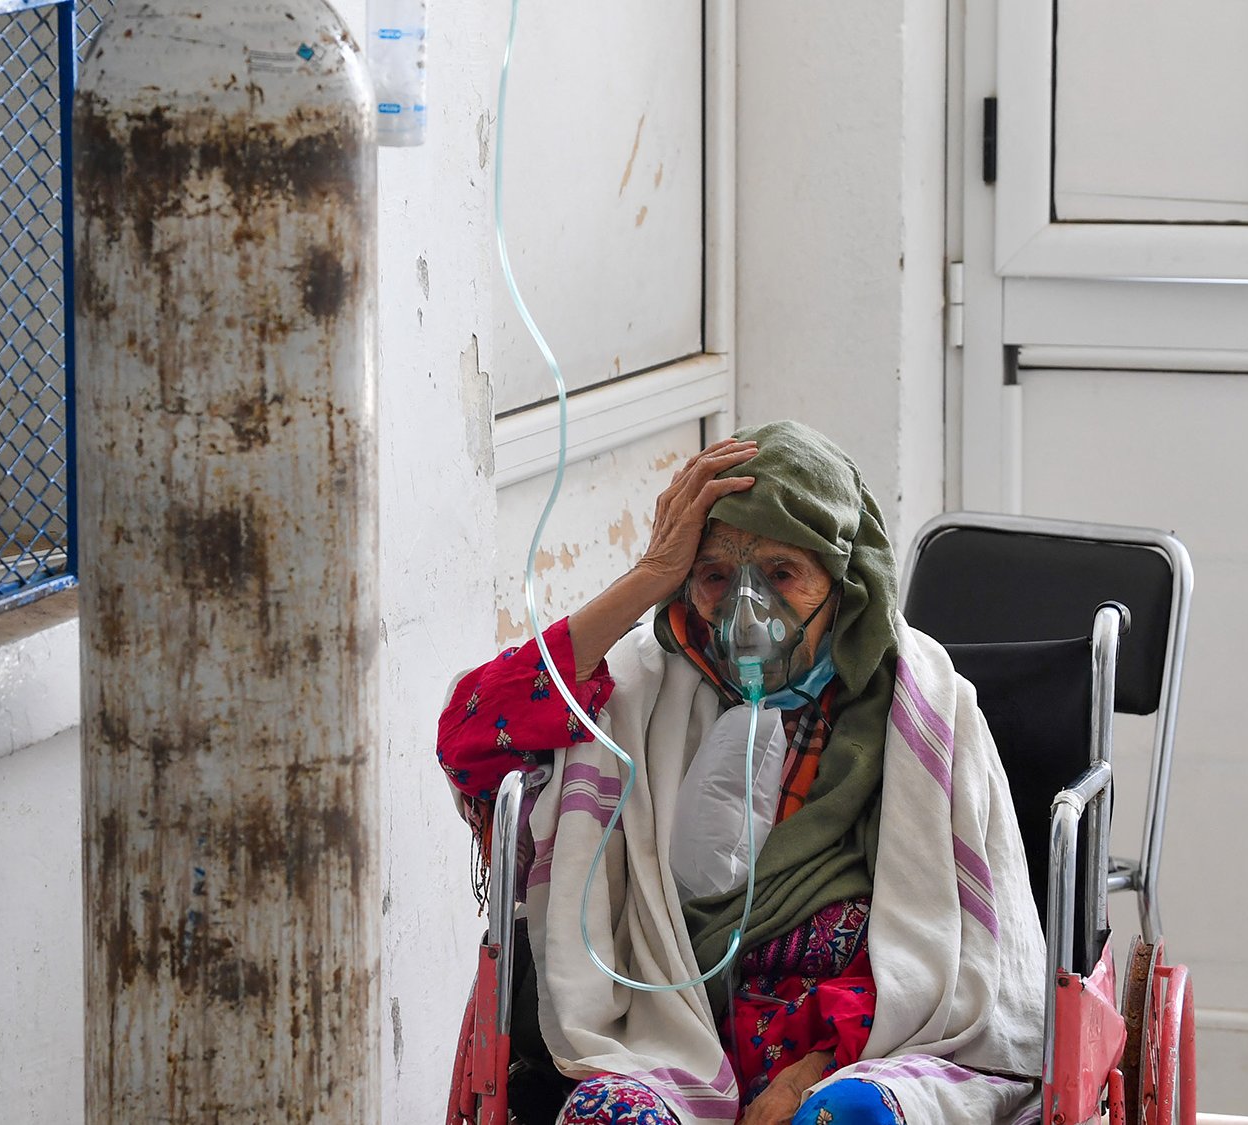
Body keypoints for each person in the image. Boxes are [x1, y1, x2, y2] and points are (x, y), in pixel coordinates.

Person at [437, 421, 1047, 1125]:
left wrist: (810, 1073)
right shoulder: (635, 690)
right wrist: (647, 579)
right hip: (661, 1049)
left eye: (782, 574)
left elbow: (936, 962)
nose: (746, 610)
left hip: (857, 1057)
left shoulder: (921, 712)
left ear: (842, 582)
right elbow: (468, 738)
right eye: (715, 575)